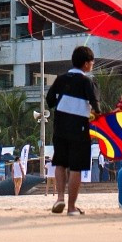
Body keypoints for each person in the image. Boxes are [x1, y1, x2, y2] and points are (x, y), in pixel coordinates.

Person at [44, 46, 100, 216]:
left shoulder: (60, 79)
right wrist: (96, 114)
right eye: (91, 63)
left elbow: (50, 100)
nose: (92, 66)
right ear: (85, 64)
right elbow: (96, 105)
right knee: (76, 167)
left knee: (60, 163)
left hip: (60, 126)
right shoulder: (86, 82)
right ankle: (71, 207)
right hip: (79, 128)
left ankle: (60, 197)